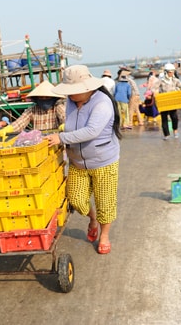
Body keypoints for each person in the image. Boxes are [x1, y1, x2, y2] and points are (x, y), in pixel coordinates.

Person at [45, 65, 122, 255]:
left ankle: (104, 236)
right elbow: (71, 124)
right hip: (77, 161)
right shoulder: (71, 101)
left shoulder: (102, 103)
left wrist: (61, 138)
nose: (70, 95)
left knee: (105, 202)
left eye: (73, 91)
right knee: (76, 200)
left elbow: (91, 131)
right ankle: (92, 218)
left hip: (103, 161)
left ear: (87, 88)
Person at [0, 80, 66, 139]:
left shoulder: (57, 107)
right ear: (37, 98)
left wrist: (65, 124)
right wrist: (9, 129)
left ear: (53, 98)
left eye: (47, 97)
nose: (44, 100)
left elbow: (64, 116)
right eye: (41, 98)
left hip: (55, 141)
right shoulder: (32, 110)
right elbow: (21, 122)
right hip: (39, 142)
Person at [152, 63, 181, 140]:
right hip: (163, 102)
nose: (172, 73)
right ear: (166, 72)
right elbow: (153, 88)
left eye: (173, 72)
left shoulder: (175, 80)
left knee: (174, 117)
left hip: (172, 102)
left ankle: (175, 130)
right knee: (164, 119)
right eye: (170, 72)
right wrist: (155, 92)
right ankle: (166, 134)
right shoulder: (161, 81)